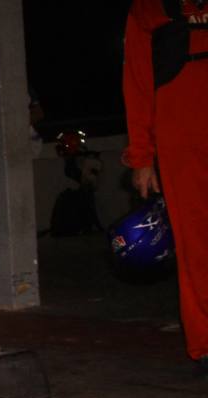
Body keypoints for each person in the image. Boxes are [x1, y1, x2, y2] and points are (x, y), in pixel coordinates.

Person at [122, 0, 208, 375]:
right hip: (180, 125)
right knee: (195, 241)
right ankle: (205, 343)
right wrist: (141, 157)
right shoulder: (146, 6)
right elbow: (138, 80)